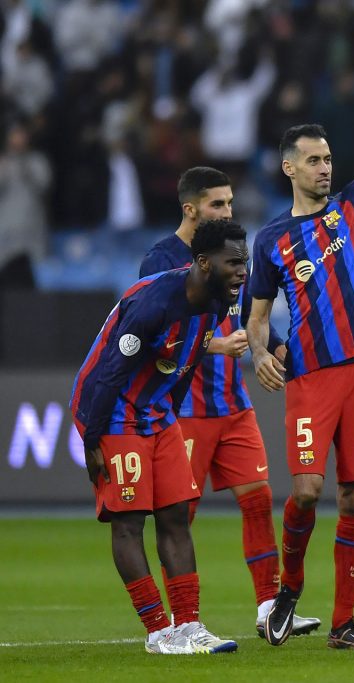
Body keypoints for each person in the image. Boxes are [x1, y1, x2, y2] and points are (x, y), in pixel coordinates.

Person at [246, 42, 354, 651]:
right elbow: (259, 316)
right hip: (312, 374)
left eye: (327, 158)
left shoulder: (353, 205)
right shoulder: (270, 240)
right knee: (306, 491)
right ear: (289, 167)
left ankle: (343, 624)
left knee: (353, 499)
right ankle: (288, 591)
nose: (325, 167)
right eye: (313, 160)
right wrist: (259, 352)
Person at [139, 168, 320, 639]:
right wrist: (216, 347)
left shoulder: (231, 254)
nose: (228, 213)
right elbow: (150, 333)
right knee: (180, 517)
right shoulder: (161, 260)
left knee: (259, 502)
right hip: (186, 410)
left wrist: (278, 349)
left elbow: (248, 315)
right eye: (218, 205)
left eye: (230, 203)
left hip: (233, 406)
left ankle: (268, 608)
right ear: (190, 209)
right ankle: (176, 622)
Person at [69, 219, 248, 655]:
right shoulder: (153, 304)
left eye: (244, 261)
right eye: (234, 262)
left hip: (158, 413)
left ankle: (189, 624)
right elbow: (109, 374)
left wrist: (173, 416)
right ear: (204, 263)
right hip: (111, 414)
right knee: (129, 522)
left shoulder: (219, 302)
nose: (243, 271)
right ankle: (157, 631)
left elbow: (184, 367)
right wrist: (92, 441)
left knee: (175, 514)